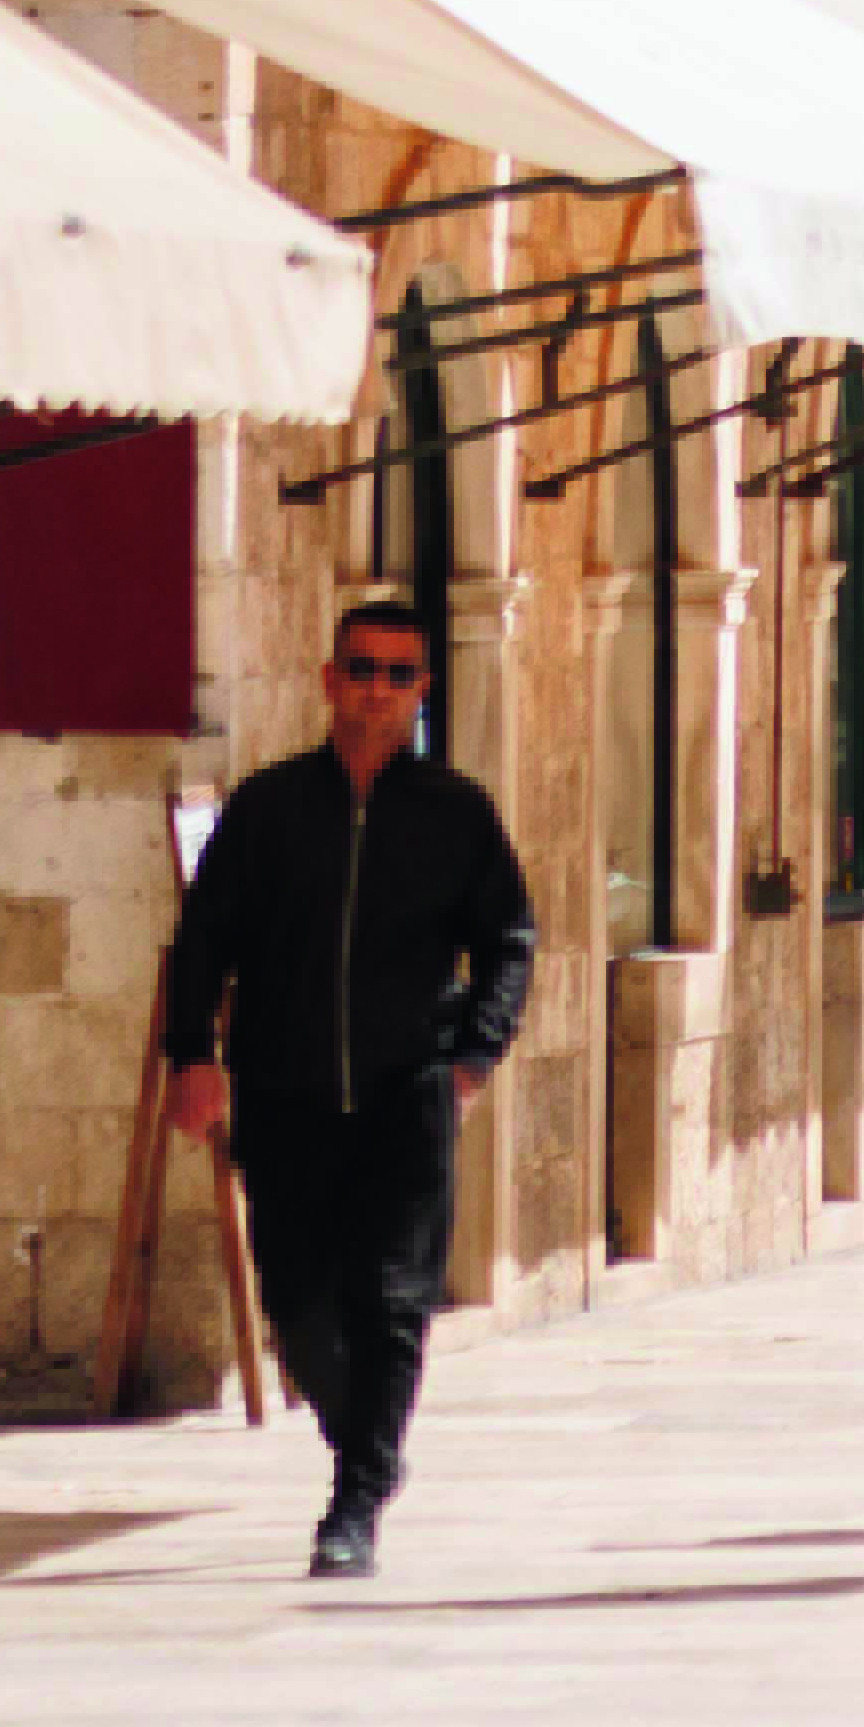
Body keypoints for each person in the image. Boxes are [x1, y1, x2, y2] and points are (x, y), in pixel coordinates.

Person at [154, 592, 535, 1578]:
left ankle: (354, 1505)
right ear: (329, 681)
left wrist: (476, 1056)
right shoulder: (270, 809)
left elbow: (509, 940)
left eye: (397, 673)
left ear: (421, 691)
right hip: (285, 1095)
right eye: (360, 669)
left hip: (409, 1094)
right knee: (298, 1302)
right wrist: (191, 1053)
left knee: (392, 1301)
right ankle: (367, 1447)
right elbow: (204, 939)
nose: (376, 689)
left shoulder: (455, 815)